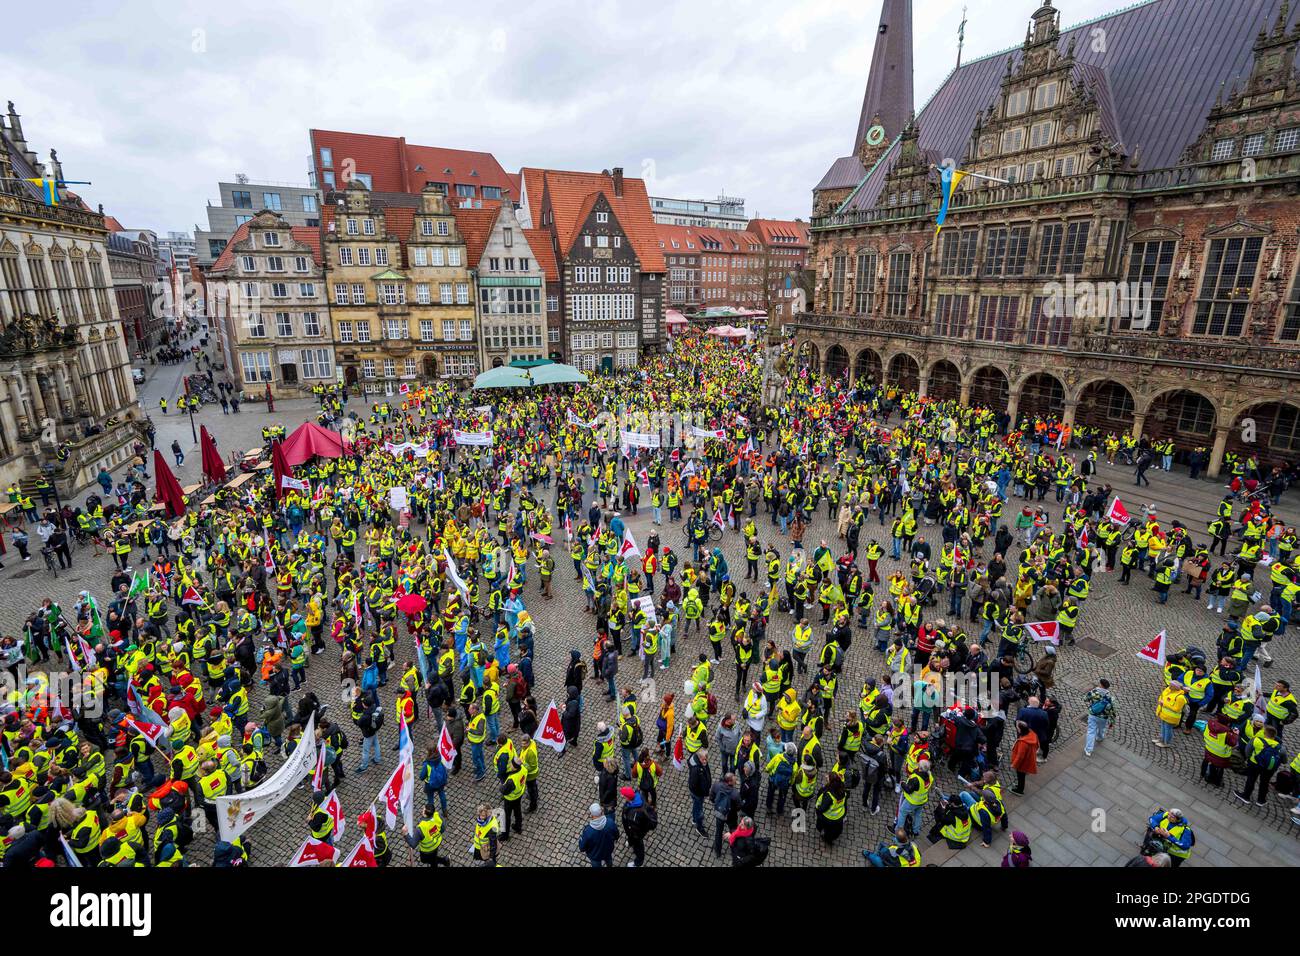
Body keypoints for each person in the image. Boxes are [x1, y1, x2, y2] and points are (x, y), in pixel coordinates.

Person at [620, 785, 655, 867]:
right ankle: (631, 842)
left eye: (623, 795)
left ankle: (639, 862)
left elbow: (635, 832)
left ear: (628, 798)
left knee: (638, 846)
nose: (622, 796)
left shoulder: (634, 815)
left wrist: (632, 839)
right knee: (633, 840)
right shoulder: (637, 797)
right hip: (632, 830)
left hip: (636, 834)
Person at [577, 802, 619, 867]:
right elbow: (616, 834)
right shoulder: (610, 822)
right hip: (607, 850)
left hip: (595, 855)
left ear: (592, 815)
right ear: (601, 812)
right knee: (609, 860)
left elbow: (582, 847)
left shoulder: (588, 831)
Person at [1083, 677, 1115, 757]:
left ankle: (1088, 750)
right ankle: (1100, 737)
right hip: (1104, 717)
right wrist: (1112, 720)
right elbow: (1112, 708)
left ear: (1101, 685)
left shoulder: (1094, 692)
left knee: (1091, 731)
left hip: (1093, 714)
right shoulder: (1109, 696)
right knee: (1101, 728)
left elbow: (1085, 699)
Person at [1010, 721, 1038, 795]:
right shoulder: (1032, 733)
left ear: (1020, 730)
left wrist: (1014, 765)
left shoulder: (1023, 743)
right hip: (1028, 759)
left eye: (1017, 727)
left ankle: (1019, 790)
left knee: (1021, 776)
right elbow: (1037, 745)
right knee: (1022, 776)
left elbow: (1020, 756)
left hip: (1023, 764)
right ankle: (1019, 786)